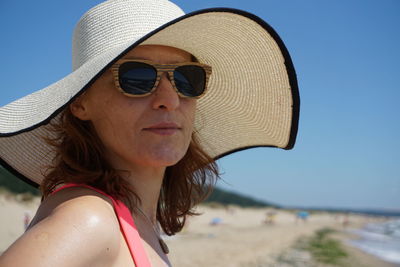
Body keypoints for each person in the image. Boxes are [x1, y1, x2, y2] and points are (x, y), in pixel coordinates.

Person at [0, 0, 300, 266]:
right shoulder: (87, 220)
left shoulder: (131, 219)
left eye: (186, 78)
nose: (169, 100)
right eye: (137, 77)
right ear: (80, 103)